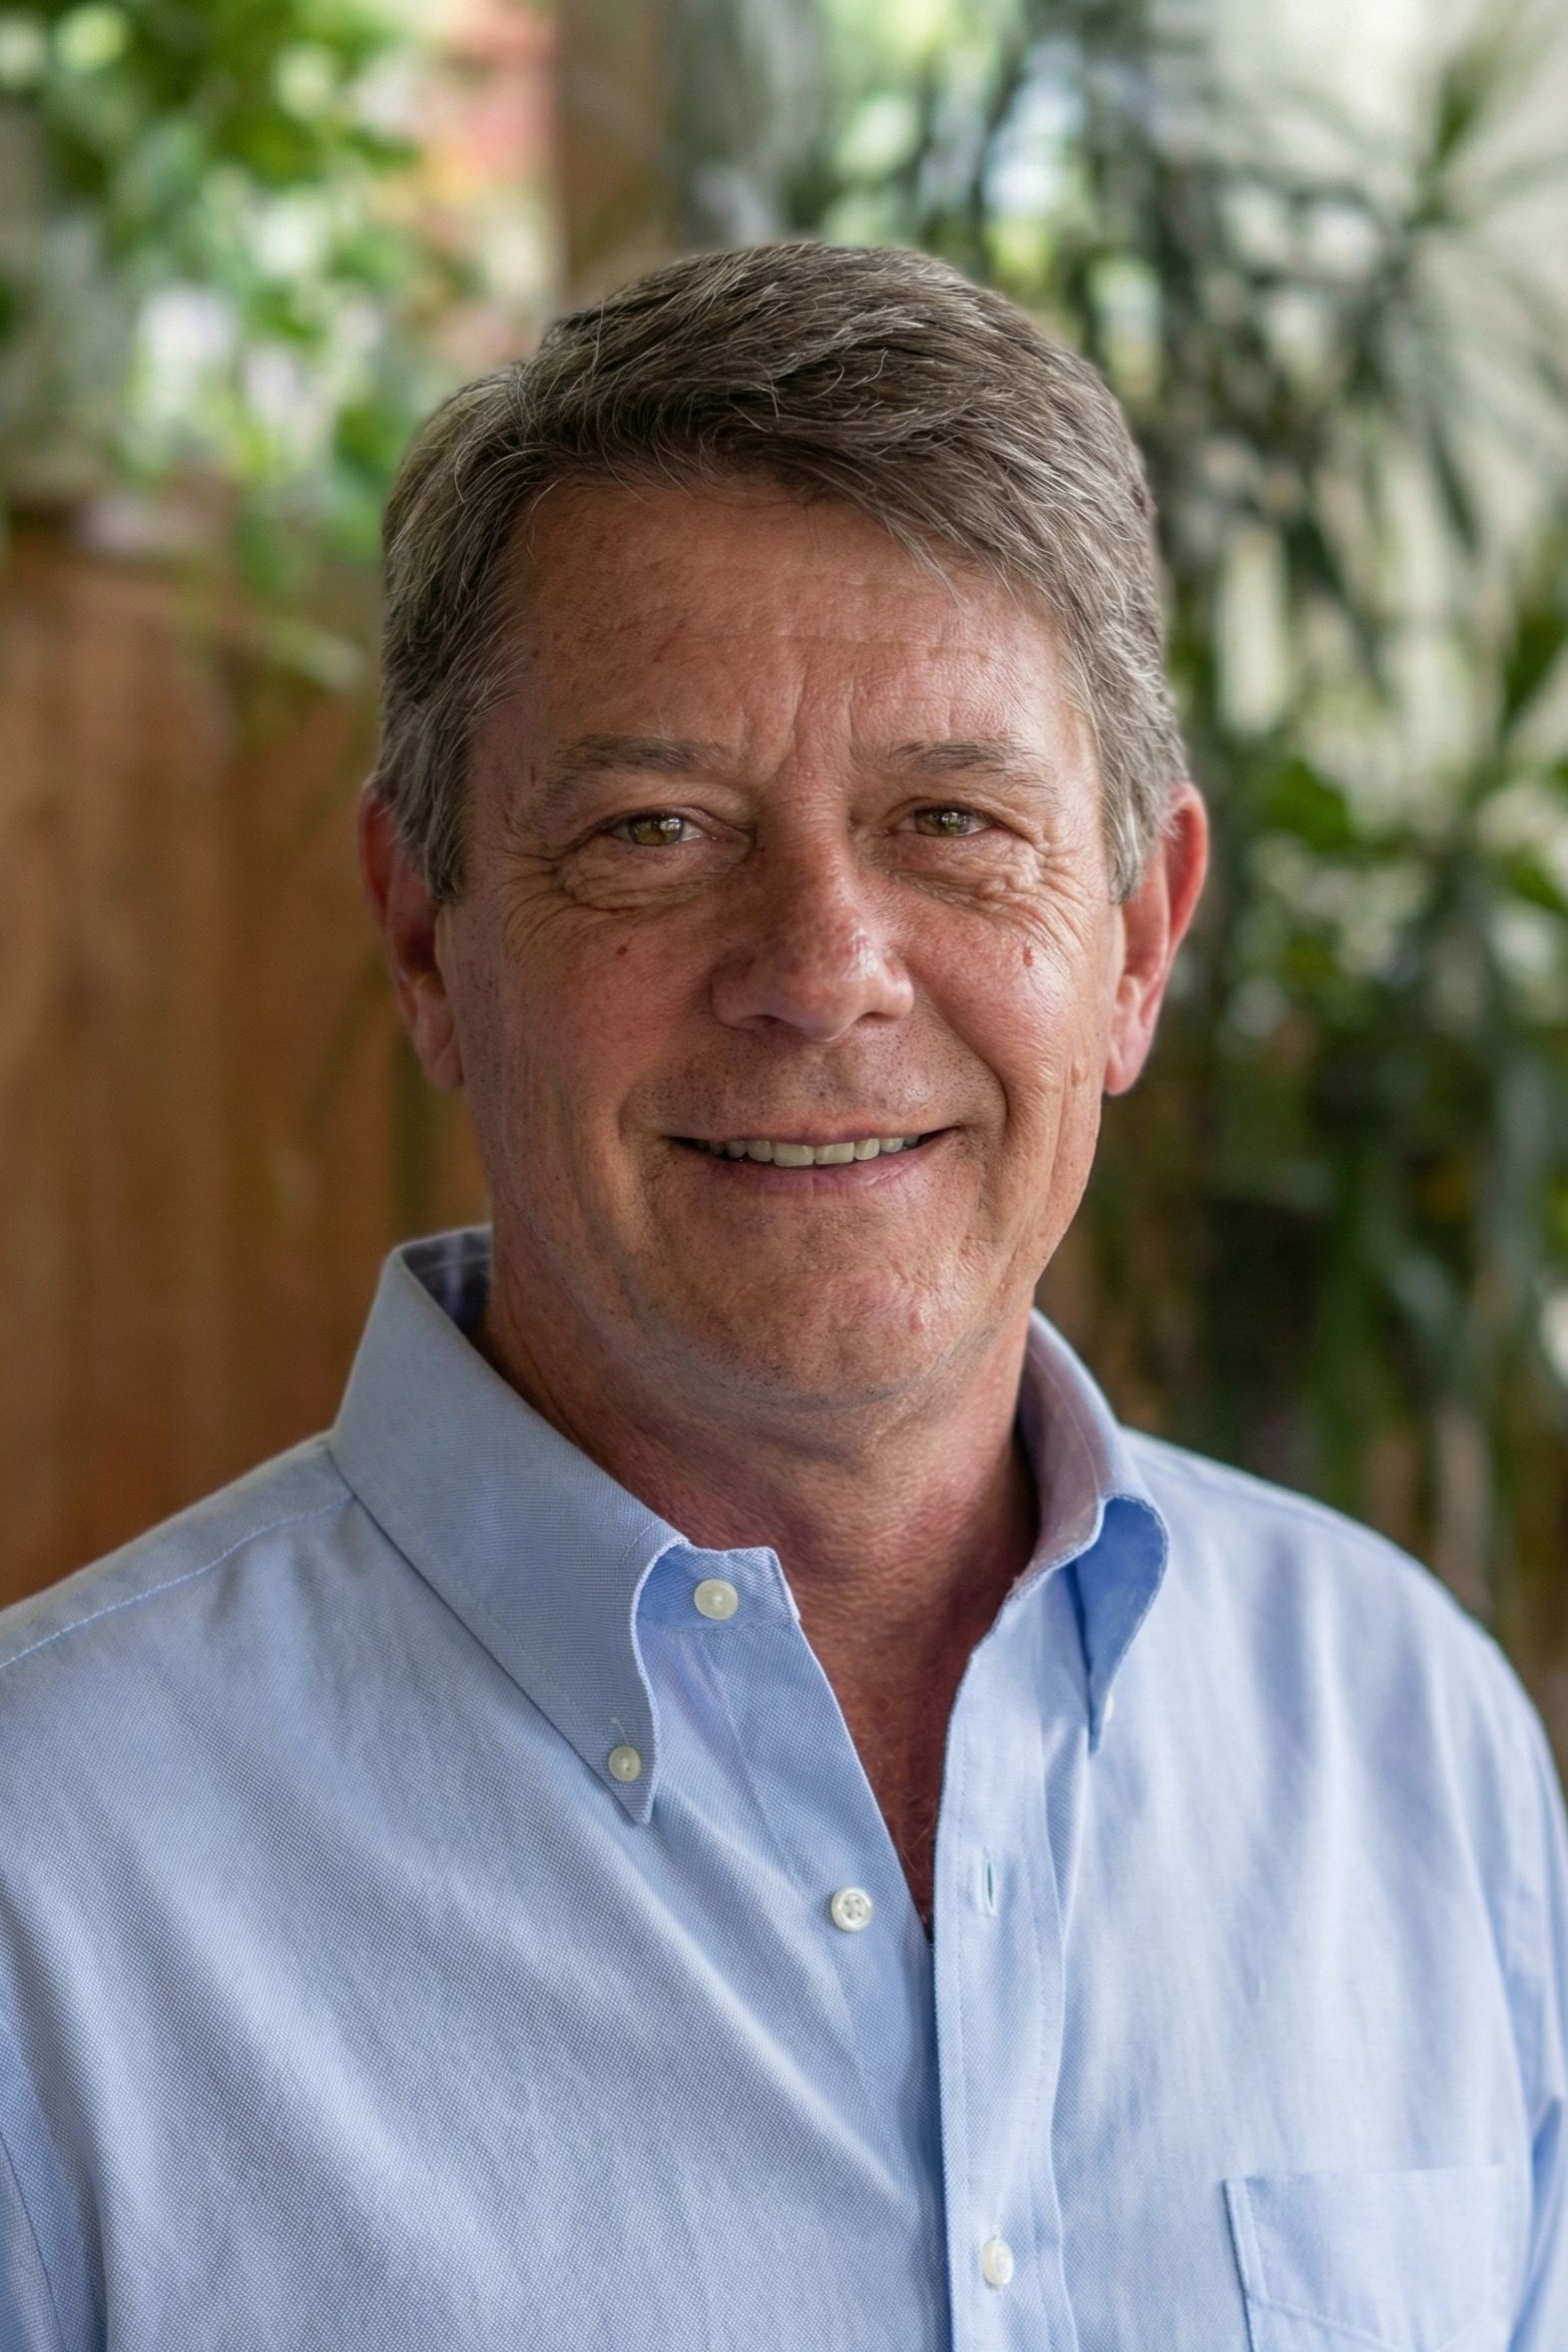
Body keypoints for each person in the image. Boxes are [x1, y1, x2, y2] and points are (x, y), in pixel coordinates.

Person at [1, 242, 1563, 2352]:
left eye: (951, 822)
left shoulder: (1408, 1729)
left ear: (1135, 937)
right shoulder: (51, 1876)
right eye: (653, 829)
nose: (822, 965)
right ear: (420, 933)